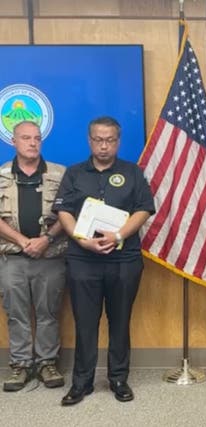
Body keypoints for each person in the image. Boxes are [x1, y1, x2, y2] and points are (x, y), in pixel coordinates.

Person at [52, 116, 155, 406]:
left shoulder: (133, 172)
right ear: (89, 140)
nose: (104, 145)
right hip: (83, 259)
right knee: (85, 322)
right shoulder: (73, 174)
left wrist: (119, 234)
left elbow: (144, 209)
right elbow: (64, 211)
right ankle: (81, 383)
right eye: (98, 139)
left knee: (120, 321)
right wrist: (81, 239)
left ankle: (119, 379)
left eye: (110, 140)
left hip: (124, 259)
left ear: (118, 141)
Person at [0, 121, 67, 391]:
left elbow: (69, 213)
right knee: (16, 313)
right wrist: (22, 240)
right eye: (26, 138)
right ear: (13, 142)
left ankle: (47, 363)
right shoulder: (1, 175)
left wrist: (46, 239)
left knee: (48, 312)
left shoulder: (60, 175)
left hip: (49, 255)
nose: (32, 143)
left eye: (37, 138)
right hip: (13, 256)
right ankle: (20, 365)